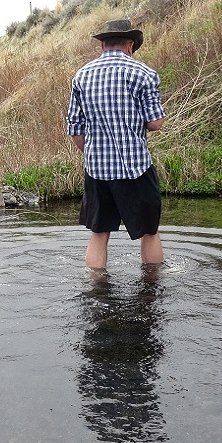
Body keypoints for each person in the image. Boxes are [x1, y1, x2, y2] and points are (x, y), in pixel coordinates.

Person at [67, 19, 166, 269]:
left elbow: (75, 129)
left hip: (97, 171)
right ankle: (151, 289)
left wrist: (91, 154)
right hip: (136, 168)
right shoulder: (144, 74)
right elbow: (155, 123)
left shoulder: (82, 76)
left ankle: (97, 289)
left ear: (102, 45)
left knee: (99, 233)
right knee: (149, 231)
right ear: (130, 45)